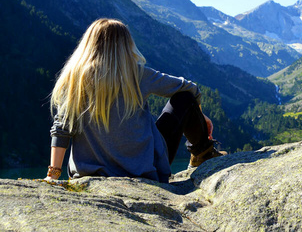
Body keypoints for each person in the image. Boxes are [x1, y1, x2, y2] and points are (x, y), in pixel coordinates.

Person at [45, 18, 225, 182]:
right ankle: (202, 152)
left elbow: (61, 129)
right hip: (144, 171)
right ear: (125, 45)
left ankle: (202, 153)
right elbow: (190, 88)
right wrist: (200, 115)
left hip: (88, 175)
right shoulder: (138, 74)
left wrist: (52, 175)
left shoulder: (75, 79)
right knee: (185, 98)